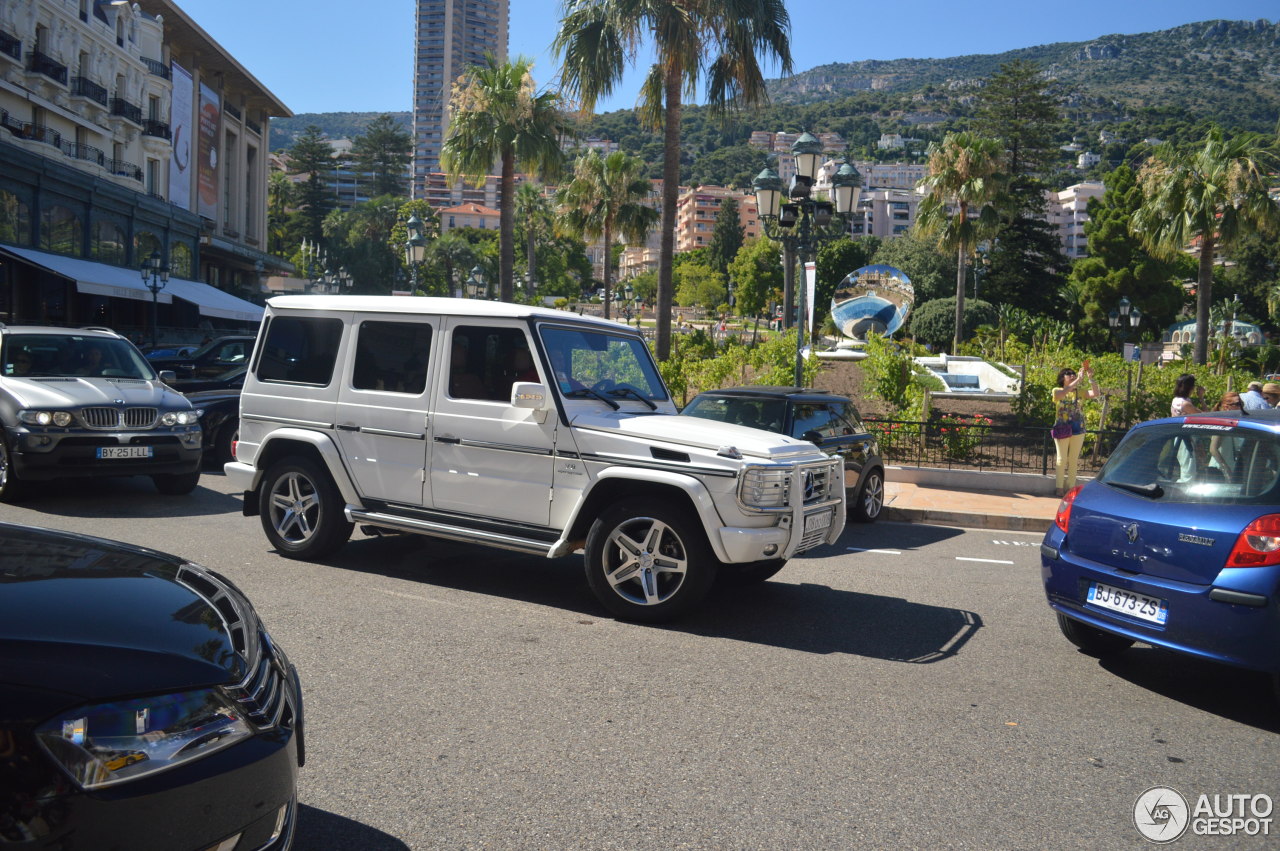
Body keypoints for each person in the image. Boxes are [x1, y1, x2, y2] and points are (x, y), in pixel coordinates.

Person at [1052, 363, 1099, 496]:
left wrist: (1090, 378)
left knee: (1073, 459)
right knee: (1061, 459)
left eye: (1073, 374)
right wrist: (1078, 380)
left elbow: (1095, 393)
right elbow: (1062, 394)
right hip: (1062, 427)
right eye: (1069, 374)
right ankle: (1059, 487)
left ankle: (1071, 487)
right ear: (1062, 378)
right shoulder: (1056, 390)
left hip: (1078, 428)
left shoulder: (1081, 392)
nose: (1072, 376)